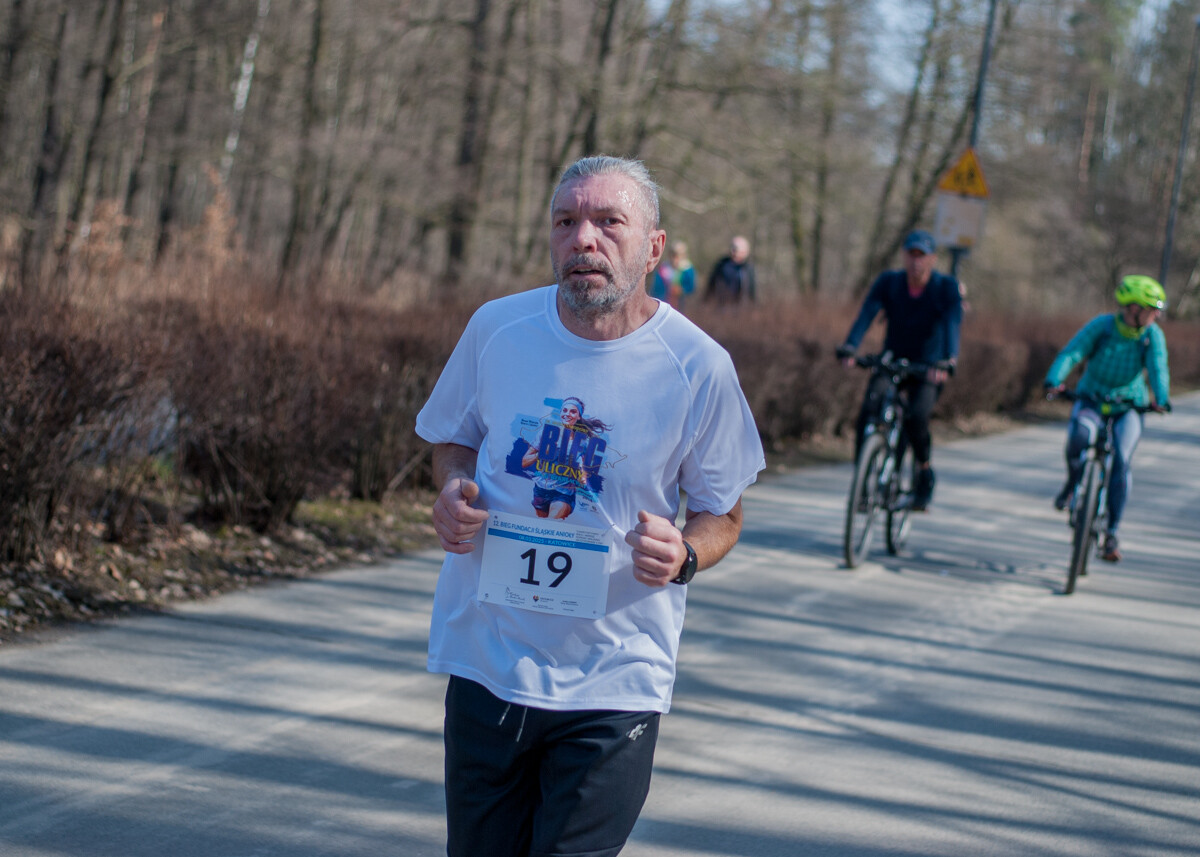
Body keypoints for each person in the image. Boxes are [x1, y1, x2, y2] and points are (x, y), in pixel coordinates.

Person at [415, 155, 765, 857]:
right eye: (567, 221)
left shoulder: (697, 366)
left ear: (654, 247)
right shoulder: (497, 329)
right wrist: (452, 488)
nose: (585, 239)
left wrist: (687, 552)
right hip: (490, 659)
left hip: (616, 676)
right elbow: (452, 438)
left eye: (609, 222)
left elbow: (723, 512)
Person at [1043, 274, 1171, 562]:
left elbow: (1158, 368)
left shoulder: (1152, 336)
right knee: (1079, 438)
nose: (1156, 316)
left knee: (1122, 461)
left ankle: (1111, 531)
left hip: (1129, 406)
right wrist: (1054, 379)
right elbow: (1073, 353)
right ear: (1134, 308)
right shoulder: (1102, 327)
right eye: (1152, 309)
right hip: (1091, 398)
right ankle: (1072, 484)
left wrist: (1161, 399)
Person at [835, 229, 962, 511]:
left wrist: (949, 359)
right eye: (911, 254)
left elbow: (953, 324)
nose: (916, 261)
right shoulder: (890, 282)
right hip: (892, 359)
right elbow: (867, 313)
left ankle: (924, 472)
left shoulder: (945, 288)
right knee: (869, 409)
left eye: (922, 256)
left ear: (933, 259)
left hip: (929, 366)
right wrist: (850, 346)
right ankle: (862, 482)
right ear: (904, 255)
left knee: (917, 417)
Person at [705, 235, 756, 303]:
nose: (733, 252)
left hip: (741, 306)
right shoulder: (721, 265)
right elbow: (711, 286)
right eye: (732, 249)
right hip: (722, 306)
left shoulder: (748, 269)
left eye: (736, 250)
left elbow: (752, 291)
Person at [650, 240, 696, 311]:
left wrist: (681, 290)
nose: (676, 259)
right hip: (663, 303)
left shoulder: (687, 269)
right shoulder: (663, 269)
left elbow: (691, 287)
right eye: (674, 255)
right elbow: (656, 288)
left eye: (679, 256)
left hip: (681, 304)